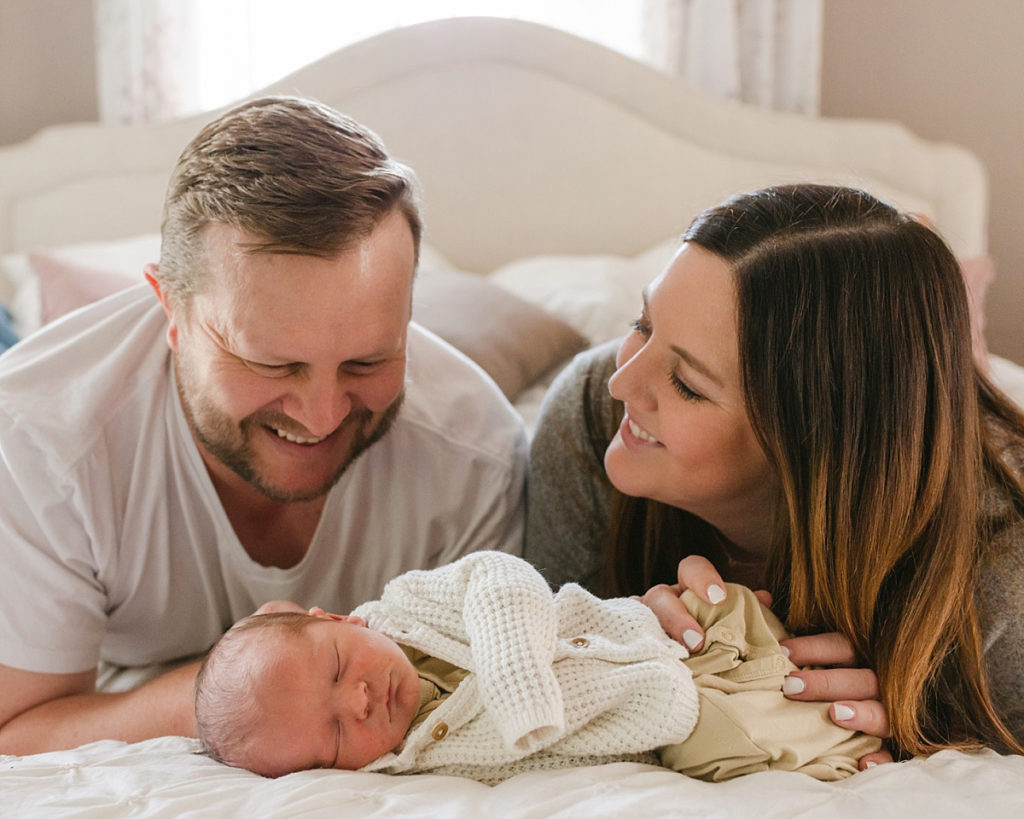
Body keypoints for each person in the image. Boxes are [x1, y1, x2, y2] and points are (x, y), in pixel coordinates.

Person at [0, 96, 526, 755]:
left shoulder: (476, 457)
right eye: (272, 362)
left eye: (368, 358)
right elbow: (16, 729)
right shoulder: (37, 443)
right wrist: (237, 701)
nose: (323, 414)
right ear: (170, 309)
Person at [525, 183, 1024, 764]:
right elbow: (532, 677)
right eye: (641, 324)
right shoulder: (590, 414)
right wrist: (619, 639)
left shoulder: (1000, 573)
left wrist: (918, 732)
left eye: (687, 385)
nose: (623, 383)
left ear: (815, 447)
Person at [194, 550, 879, 782]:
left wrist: (516, 679)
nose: (362, 699)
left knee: (748, 614)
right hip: (674, 717)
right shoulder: (420, 766)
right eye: (336, 736)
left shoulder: (410, 603)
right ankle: (876, 743)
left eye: (340, 665)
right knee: (769, 743)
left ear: (336, 620)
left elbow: (503, 576)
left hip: (665, 628)